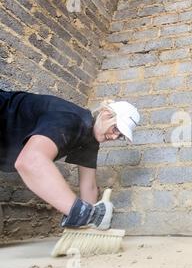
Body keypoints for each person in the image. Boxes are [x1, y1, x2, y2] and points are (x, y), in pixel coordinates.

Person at [0, 90, 140, 230]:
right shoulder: (71, 118)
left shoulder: (90, 141)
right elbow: (30, 162)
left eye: (120, 135)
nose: (115, 137)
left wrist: (89, 225)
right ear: (105, 114)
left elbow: (89, 187)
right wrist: (83, 214)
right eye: (116, 129)